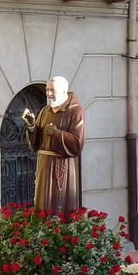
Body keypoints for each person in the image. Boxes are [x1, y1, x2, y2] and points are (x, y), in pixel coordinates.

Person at [22, 76, 85, 214]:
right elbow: (37, 143)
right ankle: (41, 230)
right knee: (42, 203)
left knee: (60, 205)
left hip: (63, 167)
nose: (49, 93)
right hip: (44, 165)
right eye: (47, 89)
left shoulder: (75, 111)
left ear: (63, 92)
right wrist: (32, 126)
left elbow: (77, 145)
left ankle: (60, 232)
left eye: (53, 90)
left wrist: (57, 134)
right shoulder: (45, 110)